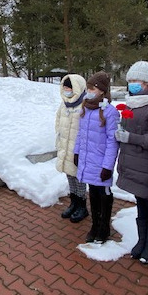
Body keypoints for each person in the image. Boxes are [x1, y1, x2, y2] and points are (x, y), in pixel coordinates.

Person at [115, 61, 148, 264]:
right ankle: (142, 240)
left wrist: (130, 137)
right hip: (134, 165)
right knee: (141, 204)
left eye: (135, 80)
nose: (132, 84)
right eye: (129, 81)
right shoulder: (132, 103)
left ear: (147, 82)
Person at [73, 71, 120, 243]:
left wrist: (108, 167)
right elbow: (80, 134)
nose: (89, 91)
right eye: (88, 88)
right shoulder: (85, 107)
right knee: (93, 193)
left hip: (101, 163)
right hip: (88, 161)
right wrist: (76, 152)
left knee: (103, 194)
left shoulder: (110, 112)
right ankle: (94, 224)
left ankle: (104, 227)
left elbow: (112, 142)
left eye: (92, 88)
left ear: (101, 90)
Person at [55, 74, 89, 222]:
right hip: (65, 146)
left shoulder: (85, 104)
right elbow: (57, 122)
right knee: (69, 175)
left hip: (78, 149)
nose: (67, 90)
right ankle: (73, 203)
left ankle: (82, 206)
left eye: (70, 87)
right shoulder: (64, 104)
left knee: (79, 177)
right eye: (65, 87)